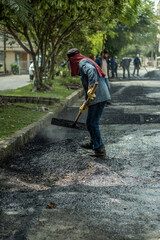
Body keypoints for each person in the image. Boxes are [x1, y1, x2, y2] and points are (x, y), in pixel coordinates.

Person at [67, 48, 111, 158]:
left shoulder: (83, 62)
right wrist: (85, 102)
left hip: (98, 96)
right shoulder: (85, 60)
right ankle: (94, 143)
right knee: (90, 122)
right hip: (98, 96)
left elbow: (91, 71)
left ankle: (100, 150)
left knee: (92, 123)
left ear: (72, 59)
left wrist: (91, 87)